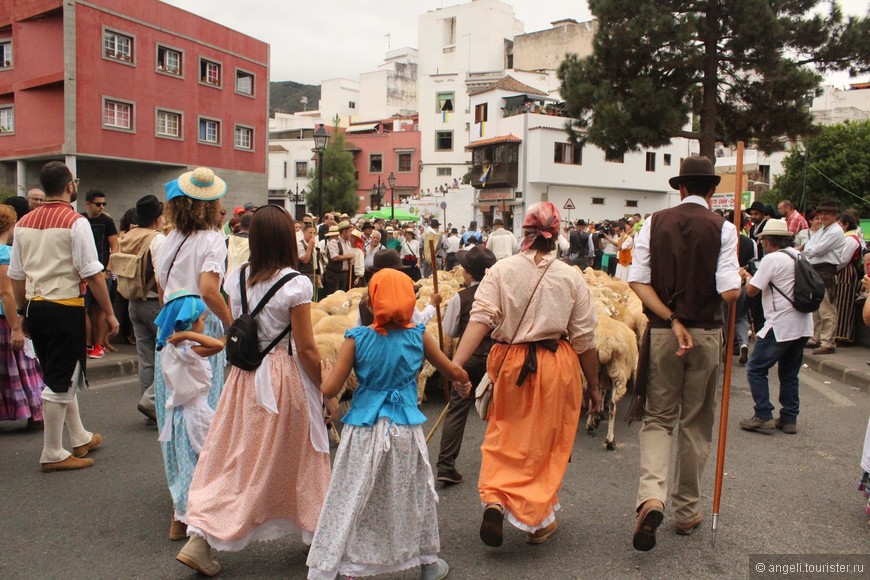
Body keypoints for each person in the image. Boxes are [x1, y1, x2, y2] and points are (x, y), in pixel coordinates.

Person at [178, 206, 331, 577]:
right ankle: (322, 531)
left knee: (238, 453)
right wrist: (327, 390)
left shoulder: (237, 277)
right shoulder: (296, 283)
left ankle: (201, 533)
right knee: (300, 454)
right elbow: (307, 348)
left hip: (244, 377)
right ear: (286, 240)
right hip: (284, 377)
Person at [451, 202, 601, 547]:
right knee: (545, 442)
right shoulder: (570, 276)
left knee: (505, 433)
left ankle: (495, 498)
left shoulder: (501, 271)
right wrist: (594, 386)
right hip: (555, 364)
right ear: (557, 234)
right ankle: (537, 521)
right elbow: (584, 339)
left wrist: (457, 368)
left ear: (526, 233)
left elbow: (481, 319)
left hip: (509, 361)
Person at [306, 268, 470, 580]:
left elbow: (329, 390)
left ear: (371, 300)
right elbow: (452, 370)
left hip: (363, 429)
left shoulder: (356, 339)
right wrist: (463, 383)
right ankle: (427, 563)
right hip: (404, 429)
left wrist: (327, 373)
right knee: (410, 492)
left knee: (351, 492)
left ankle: (334, 566)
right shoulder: (420, 336)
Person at [628, 156, 740, 550]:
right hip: (707, 334)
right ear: (711, 190)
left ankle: (652, 496)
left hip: (663, 332)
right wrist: (738, 278)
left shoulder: (653, 223)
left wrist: (671, 317)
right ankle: (687, 510)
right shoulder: (724, 229)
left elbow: (638, 281)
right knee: (695, 423)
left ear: (680, 188)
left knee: (658, 418)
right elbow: (728, 293)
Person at [9, 161, 117, 471]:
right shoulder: (75, 221)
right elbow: (92, 273)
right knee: (61, 377)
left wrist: (21, 312)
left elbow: (17, 275)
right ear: (70, 186)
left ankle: (79, 435)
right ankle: (52, 452)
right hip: (65, 305)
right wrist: (109, 313)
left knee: (59, 371)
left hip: (35, 303)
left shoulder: (24, 222)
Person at [156, 167, 234, 540]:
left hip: (168, 330)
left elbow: (163, 291)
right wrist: (232, 320)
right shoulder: (213, 240)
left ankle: (179, 507)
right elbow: (208, 288)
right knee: (204, 413)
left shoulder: (166, 240)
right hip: (202, 329)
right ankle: (199, 507)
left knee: (174, 416)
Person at [737, 219, 812, 435]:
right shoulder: (799, 255)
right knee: (789, 373)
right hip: (803, 323)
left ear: (769, 241)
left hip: (780, 324)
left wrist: (746, 278)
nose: (761, 244)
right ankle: (789, 418)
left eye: (762, 240)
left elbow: (752, 291)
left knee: (755, 368)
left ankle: (763, 414)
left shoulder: (771, 259)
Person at [436, 246, 497, 485]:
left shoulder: (459, 298)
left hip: (469, 360)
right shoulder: (500, 294)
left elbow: (450, 331)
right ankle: (501, 463)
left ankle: (446, 465)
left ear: (469, 274)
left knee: (457, 408)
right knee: (500, 410)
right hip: (497, 359)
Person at [120, 195, 166, 423]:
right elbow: (161, 276)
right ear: (157, 219)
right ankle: (151, 401)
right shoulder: (157, 239)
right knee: (170, 354)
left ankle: (151, 407)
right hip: (153, 302)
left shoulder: (128, 236)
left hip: (133, 301)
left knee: (146, 358)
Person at [0, 204, 45, 427]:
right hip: (5, 319)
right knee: (23, 366)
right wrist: (16, 326)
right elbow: (6, 292)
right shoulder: (4, 254)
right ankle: (34, 410)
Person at [802, 200, 846, 354]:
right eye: (822, 213)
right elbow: (810, 246)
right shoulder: (823, 230)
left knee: (826, 308)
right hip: (816, 270)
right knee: (816, 308)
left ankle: (828, 342)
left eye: (827, 213)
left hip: (826, 271)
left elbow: (817, 250)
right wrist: (809, 249)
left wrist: (809, 249)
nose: (823, 216)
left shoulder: (836, 231)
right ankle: (816, 338)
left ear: (834, 215)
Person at [81, 189, 119, 359]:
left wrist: (108, 270)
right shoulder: (80, 220)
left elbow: (115, 246)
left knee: (101, 309)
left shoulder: (107, 221)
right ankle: (87, 343)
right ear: (88, 203)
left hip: (102, 271)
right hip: (83, 272)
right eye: (98, 204)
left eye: (104, 204)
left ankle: (99, 344)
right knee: (84, 308)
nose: (101, 207)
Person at [834, 212, 863, 343]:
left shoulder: (851, 239)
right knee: (839, 302)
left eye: (840, 224)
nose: (838, 226)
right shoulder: (847, 237)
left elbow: (844, 259)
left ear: (846, 224)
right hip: (842, 272)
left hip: (846, 272)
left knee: (844, 304)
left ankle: (843, 335)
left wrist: (834, 269)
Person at [322, 221, 354, 295]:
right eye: (349, 231)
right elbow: (334, 257)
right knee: (334, 296)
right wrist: (349, 256)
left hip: (344, 274)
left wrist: (351, 259)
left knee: (343, 295)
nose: (350, 234)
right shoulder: (334, 242)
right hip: (334, 275)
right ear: (344, 231)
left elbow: (350, 256)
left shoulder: (348, 243)